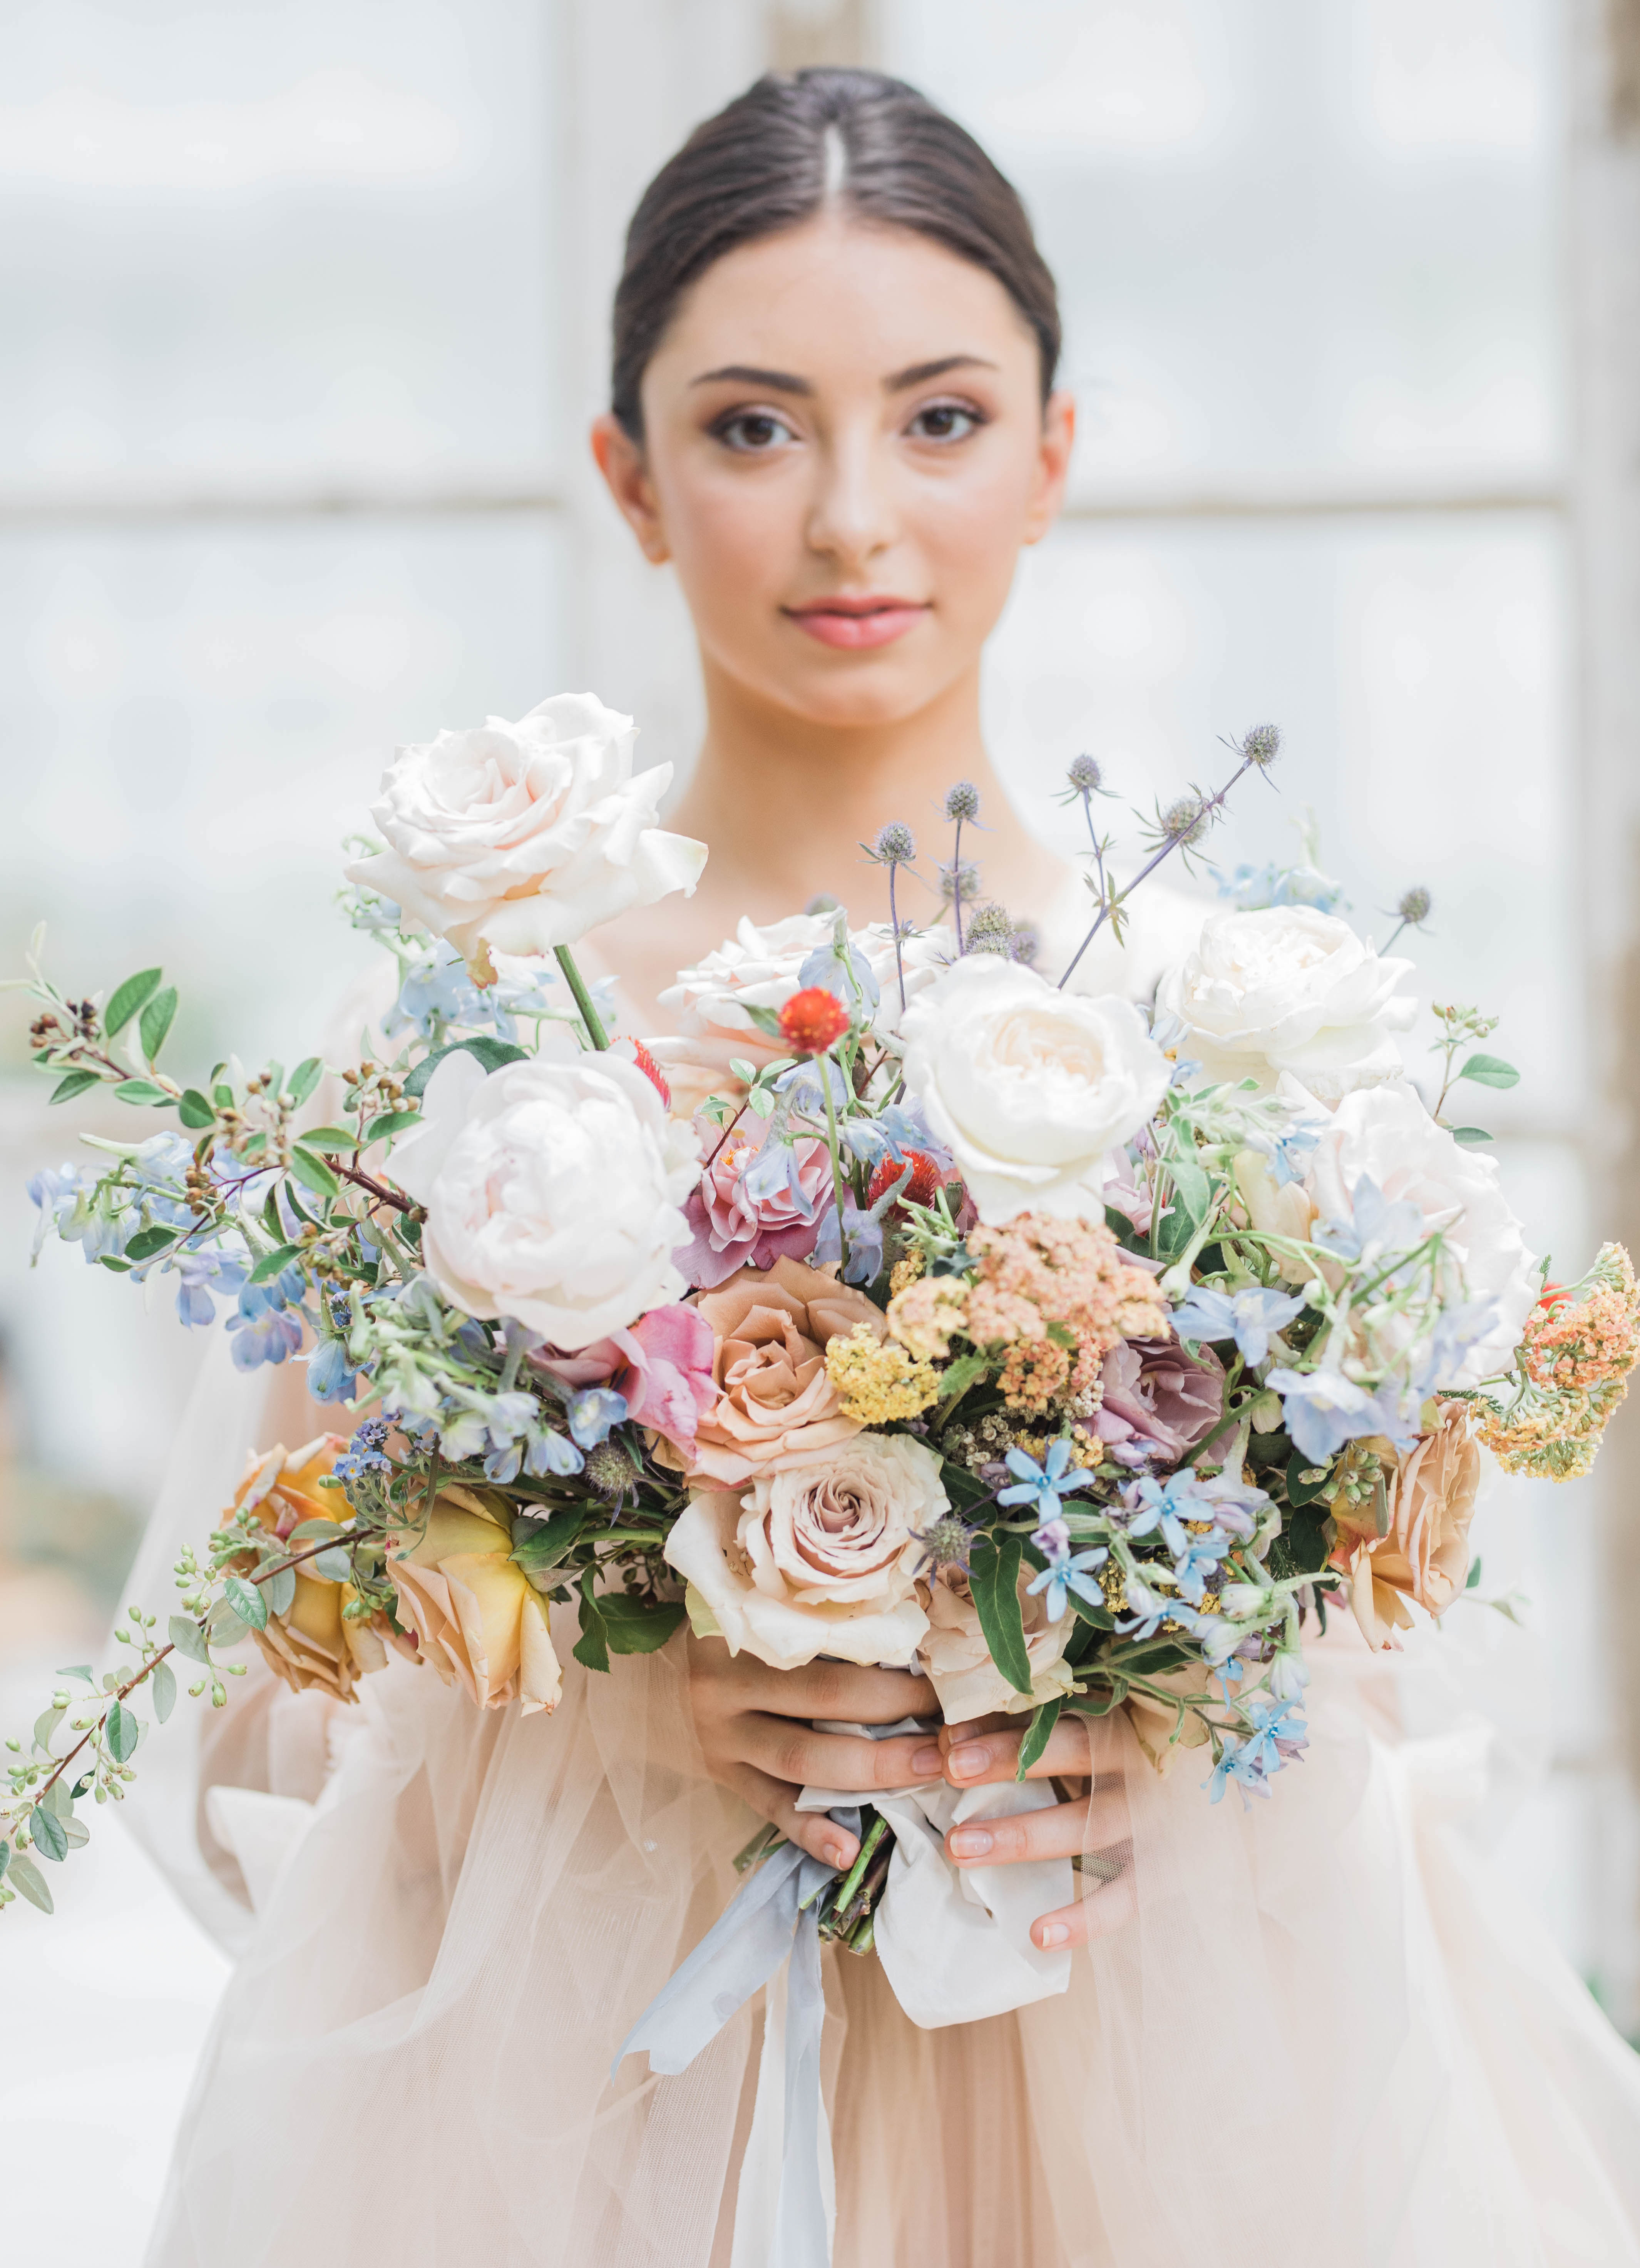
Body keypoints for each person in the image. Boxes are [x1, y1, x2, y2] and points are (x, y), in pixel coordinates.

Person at [131, 68, 1640, 2268]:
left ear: (1050, 456)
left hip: (1152, 2085)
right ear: (626, 482)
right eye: (751, 427)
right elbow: (270, 1701)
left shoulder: (1239, 1034)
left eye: (936, 419)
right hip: (588, 2124)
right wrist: (641, 1692)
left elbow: (1390, 1696)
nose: (851, 516)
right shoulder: (476, 1068)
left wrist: (1172, 1721)